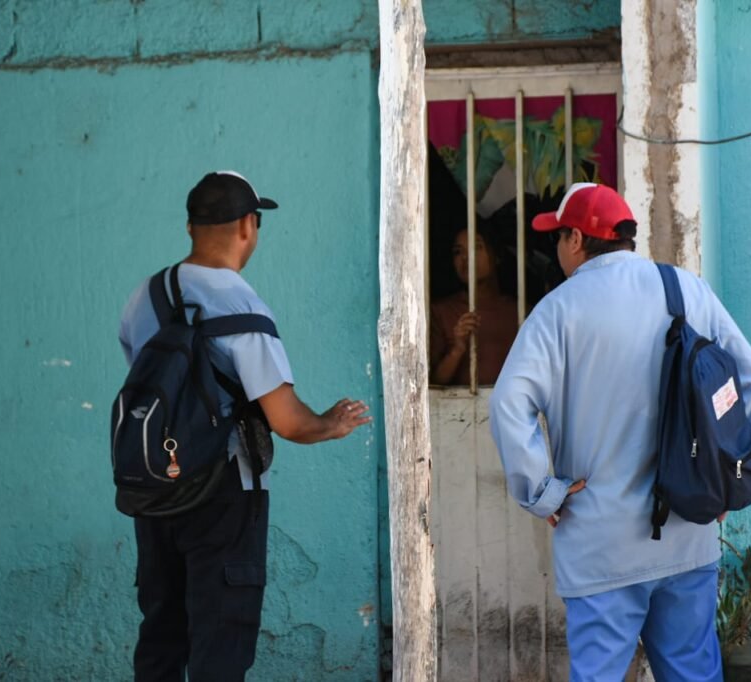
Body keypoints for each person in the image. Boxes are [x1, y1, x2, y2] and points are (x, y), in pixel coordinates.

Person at [489, 183, 751, 681]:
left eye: (557, 238)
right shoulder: (685, 289)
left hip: (601, 543)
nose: (556, 250)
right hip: (688, 533)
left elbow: (511, 402)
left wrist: (542, 493)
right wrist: (733, 472)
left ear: (576, 239)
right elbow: (750, 379)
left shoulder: (559, 309)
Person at [118, 171, 372, 681]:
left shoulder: (143, 297)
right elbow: (287, 420)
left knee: (162, 633)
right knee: (221, 640)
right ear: (249, 226)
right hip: (223, 491)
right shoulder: (240, 303)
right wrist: (331, 423)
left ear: (190, 225)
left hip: (154, 484)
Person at [430, 225, 518, 385]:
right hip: (456, 409)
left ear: (497, 255)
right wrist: (457, 349)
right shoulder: (441, 311)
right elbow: (431, 385)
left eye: (477, 247)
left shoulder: (520, 312)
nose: (466, 257)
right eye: (458, 251)